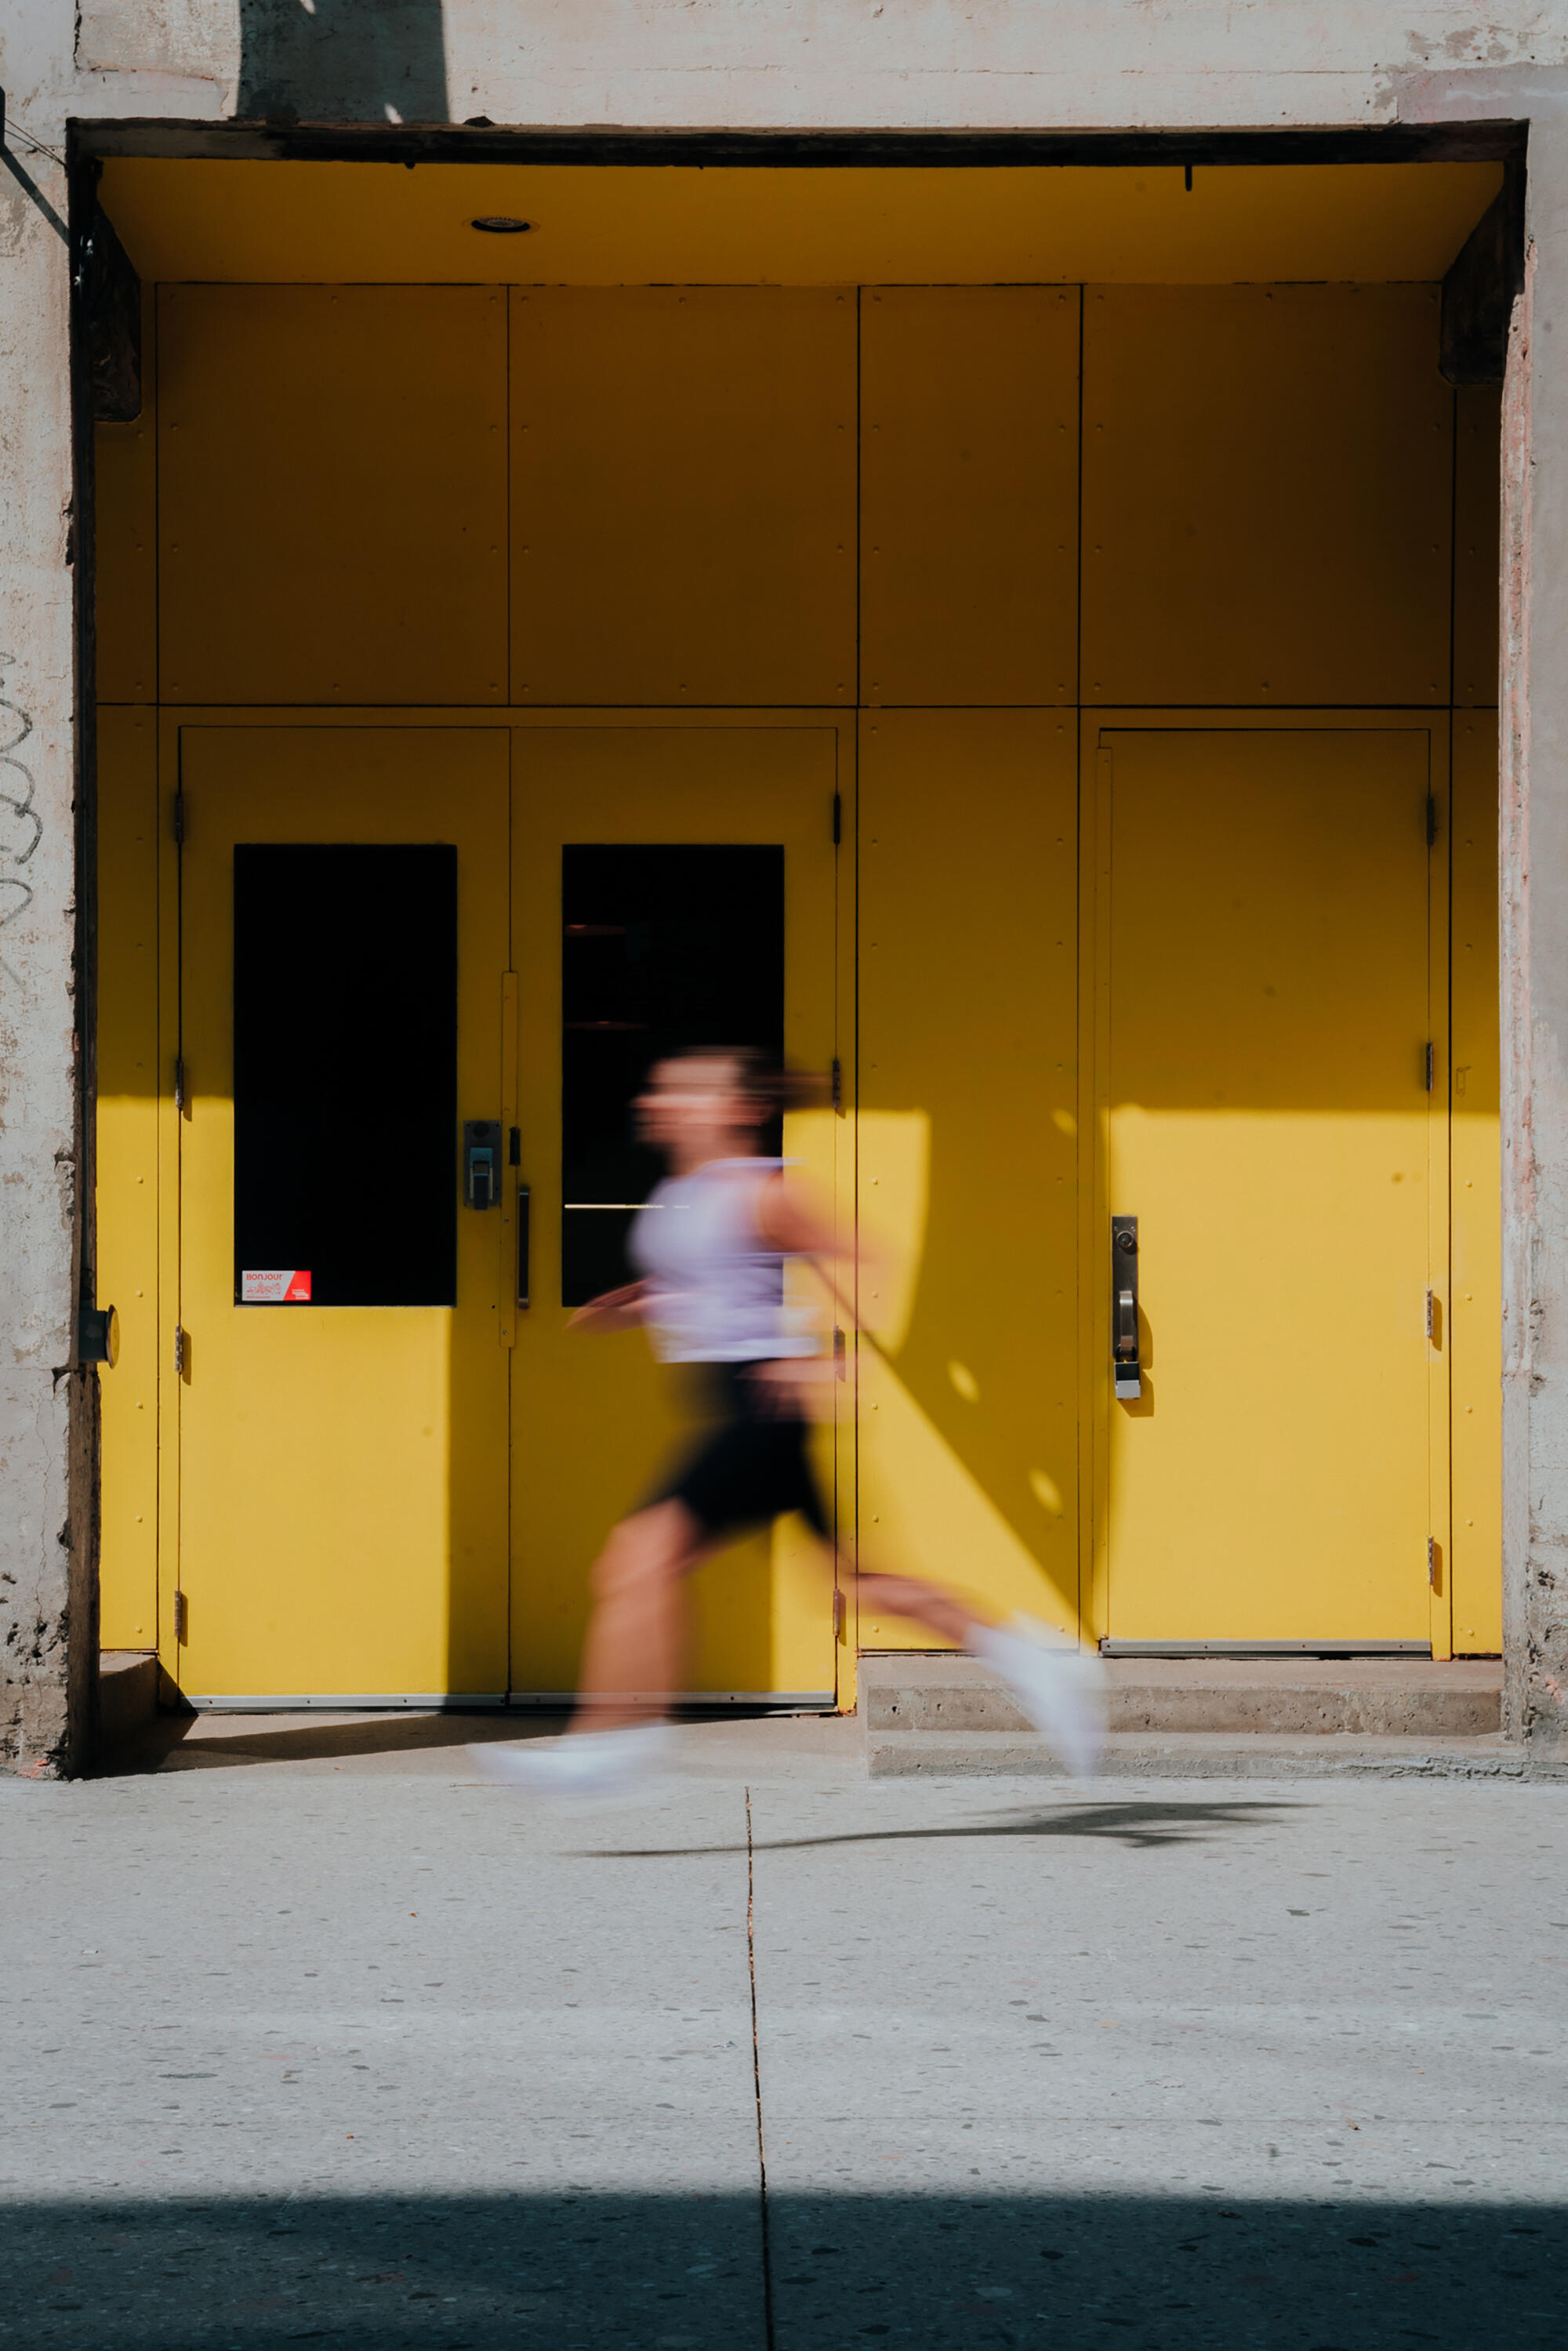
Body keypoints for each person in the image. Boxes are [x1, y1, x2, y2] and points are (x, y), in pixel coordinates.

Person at [473, 1047, 1104, 1796]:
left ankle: (612, 1738)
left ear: (736, 1110)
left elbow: (868, 1258)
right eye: (662, 1089)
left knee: (636, 1560)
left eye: (684, 1091)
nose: (662, 1100)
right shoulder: (692, 1189)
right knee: (855, 1580)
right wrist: (637, 1302)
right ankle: (1029, 1657)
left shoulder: (762, 1189)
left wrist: (821, 1362)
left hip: (759, 1407)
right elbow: (709, 1284)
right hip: (739, 1404)